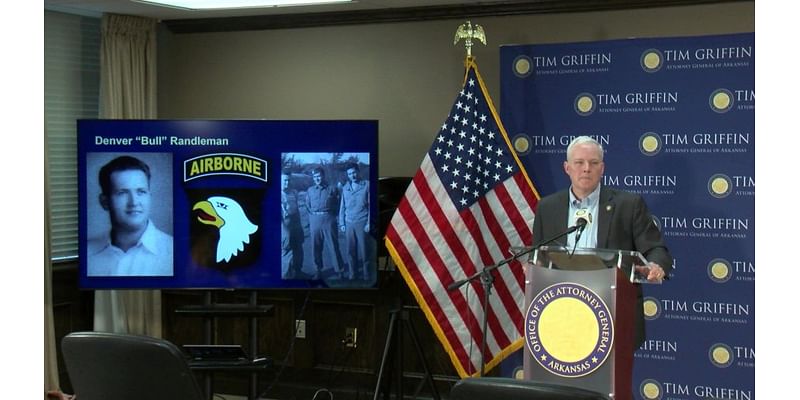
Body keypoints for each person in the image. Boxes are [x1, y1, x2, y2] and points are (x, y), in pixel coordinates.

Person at [531, 136, 672, 348]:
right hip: (561, 310)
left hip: (612, 311)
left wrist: (655, 265)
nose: (586, 168)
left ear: (602, 168)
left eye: (593, 163)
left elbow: (655, 248)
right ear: (567, 167)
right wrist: (533, 268)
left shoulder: (628, 204)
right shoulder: (548, 207)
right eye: (579, 163)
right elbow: (538, 254)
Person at [87, 155, 173, 276]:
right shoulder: (87, 254)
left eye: (141, 192)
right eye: (122, 193)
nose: (134, 202)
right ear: (105, 202)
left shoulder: (174, 253)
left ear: (150, 197)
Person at [305, 167, 345, 279]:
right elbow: (307, 205)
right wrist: (313, 216)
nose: (317, 178)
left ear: (323, 176)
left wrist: (332, 215)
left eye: (319, 176)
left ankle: (339, 270)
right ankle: (318, 270)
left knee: (333, 245)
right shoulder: (310, 190)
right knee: (315, 247)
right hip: (315, 220)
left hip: (329, 219)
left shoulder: (332, 189)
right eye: (315, 177)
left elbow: (339, 204)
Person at [339, 163, 372, 280]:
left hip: (362, 222)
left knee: (364, 250)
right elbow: (342, 207)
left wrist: (369, 223)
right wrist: (342, 223)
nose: (352, 175)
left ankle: (366, 273)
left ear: (358, 172)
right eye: (349, 174)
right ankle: (353, 274)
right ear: (347, 175)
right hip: (349, 223)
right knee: (350, 250)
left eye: (353, 172)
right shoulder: (345, 188)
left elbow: (370, 206)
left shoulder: (367, 185)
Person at [281, 172, 305, 279]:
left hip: (295, 223)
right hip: (284, 225)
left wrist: (300, 227)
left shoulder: (294, 192)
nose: (287, 183)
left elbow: (297, 210)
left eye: (288, 180)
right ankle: (286, 276)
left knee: (298, 248)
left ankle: (298, 272)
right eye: (284, 180)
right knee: (287, 250)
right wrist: (284, 231)